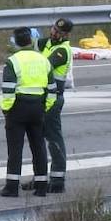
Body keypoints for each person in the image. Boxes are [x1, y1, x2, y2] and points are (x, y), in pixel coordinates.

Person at [0, 26, 52, 197]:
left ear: (15, 42)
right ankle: (42, 185)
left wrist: (7, 109)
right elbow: (52, 88)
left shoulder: (13, 61)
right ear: (31, 40)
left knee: (15, 149)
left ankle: (12, 187)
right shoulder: (44, 60)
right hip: (38, 106)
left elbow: (8, 90)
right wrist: (46, 107)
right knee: (39, 146)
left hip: (18, 107)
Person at [32, 17, 73, 193]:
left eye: (59, 32)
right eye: (54, 29)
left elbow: (44, 66)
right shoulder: (45, 43)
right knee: (38, 138)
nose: (55, 33)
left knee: (53, 138)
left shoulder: (62, 51)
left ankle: (57, 180)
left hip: (53, 99)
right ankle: (39, 177)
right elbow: (28, 47)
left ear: (66, 34)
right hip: (41, 97)